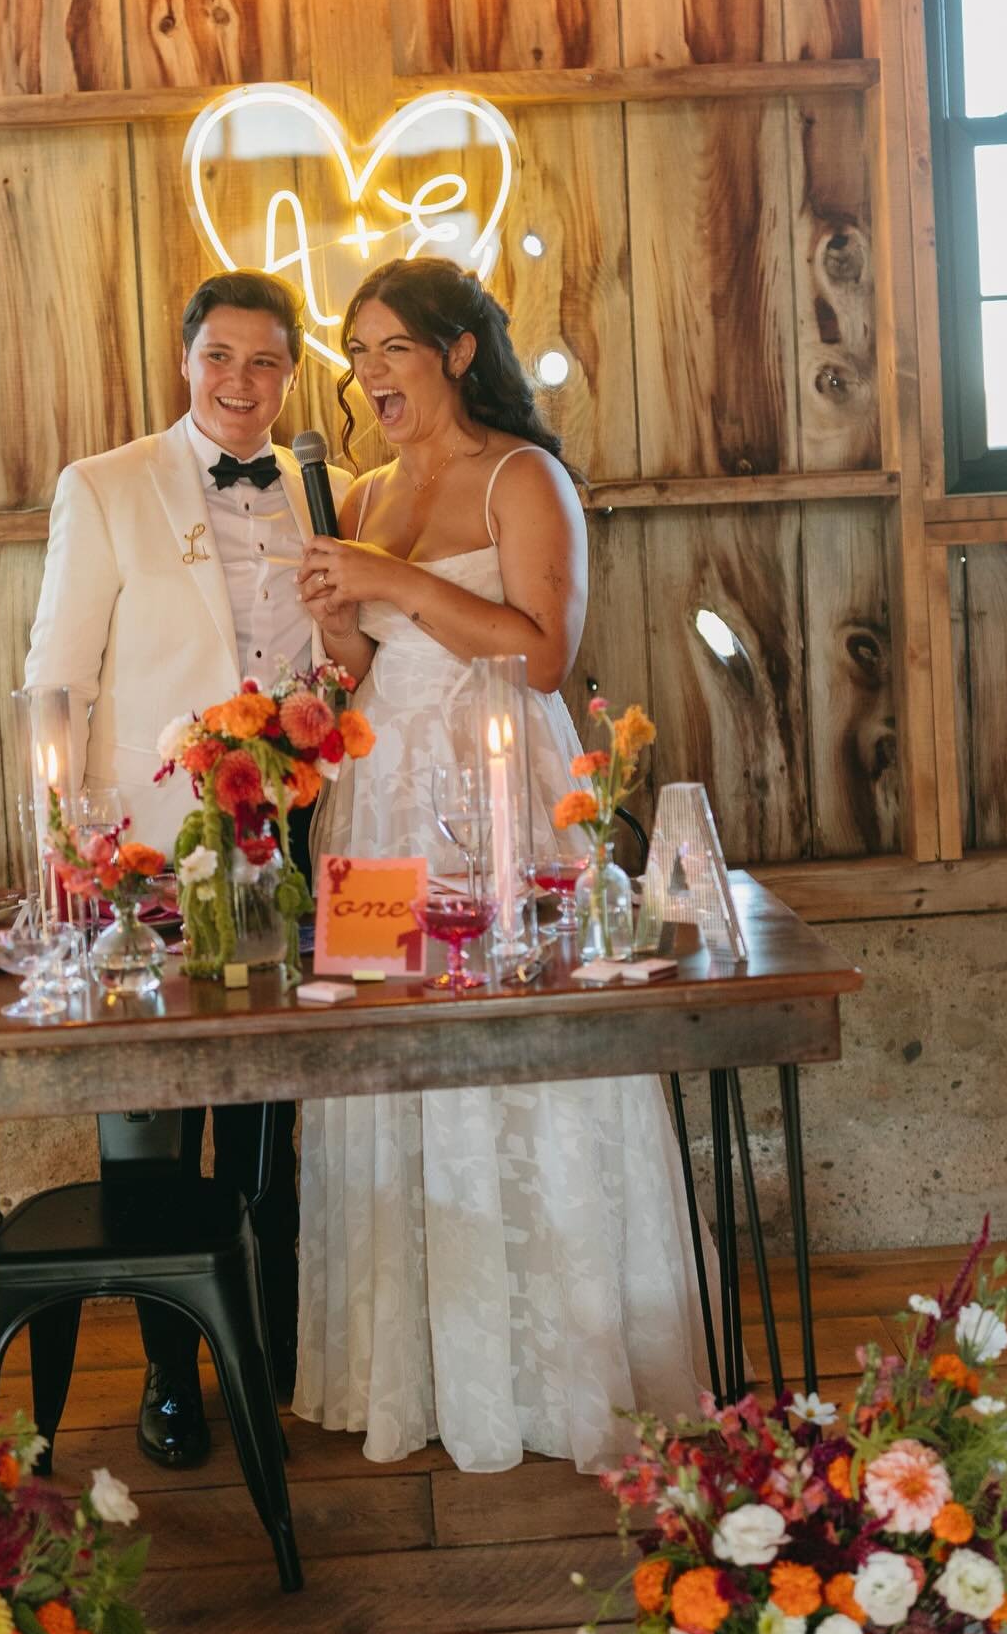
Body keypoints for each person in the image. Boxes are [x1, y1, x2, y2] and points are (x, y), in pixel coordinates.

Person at [294, 255, 716, 1474]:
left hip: (501, 806)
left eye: (391, 349)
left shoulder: (524, 477)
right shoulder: (363, 490)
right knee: (387, 1061)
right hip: (378, 817)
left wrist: (393, 581)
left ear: (458, 352)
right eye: (356, 352)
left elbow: (541, 654)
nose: (368, 374)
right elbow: (359, 670)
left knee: (522, 1055)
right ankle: (410, 1367)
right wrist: (338, 622)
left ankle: (554, 1368)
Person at [26, 269, 350, 1469]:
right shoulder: (105, 488)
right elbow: (57, 679)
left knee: (270, 1125)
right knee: (153, 1128)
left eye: (267, 362)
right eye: (221, 357)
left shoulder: (325, 492)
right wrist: (75, 852)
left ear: (290, 374)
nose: (241, 384)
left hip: (290, 843)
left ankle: (266, 1358)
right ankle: (171, 1380)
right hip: (148, 861)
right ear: (185, 360)